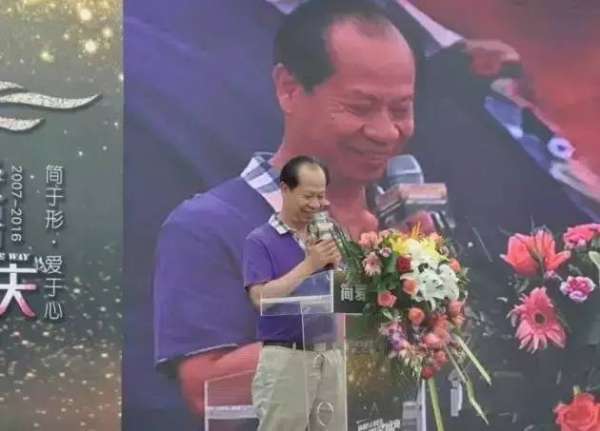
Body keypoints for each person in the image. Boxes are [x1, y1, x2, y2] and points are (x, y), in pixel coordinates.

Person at [152, 0, 419, 427]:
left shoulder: (407, 226)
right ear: (289, 89)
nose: (386, 131)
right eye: (360, 107)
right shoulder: (209, 225)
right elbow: (206, 389)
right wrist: (355, 317)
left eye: (401, 109)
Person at [243, 156, 343, 430]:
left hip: (330, 356)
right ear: (285, 189)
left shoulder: (330, 235)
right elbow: (260, 298)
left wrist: (337, 269)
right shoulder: (260, 240)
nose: (316, 204)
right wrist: (310, 264)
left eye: (321, 196)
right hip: (287, 358)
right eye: (308, 196)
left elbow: (345, 294)